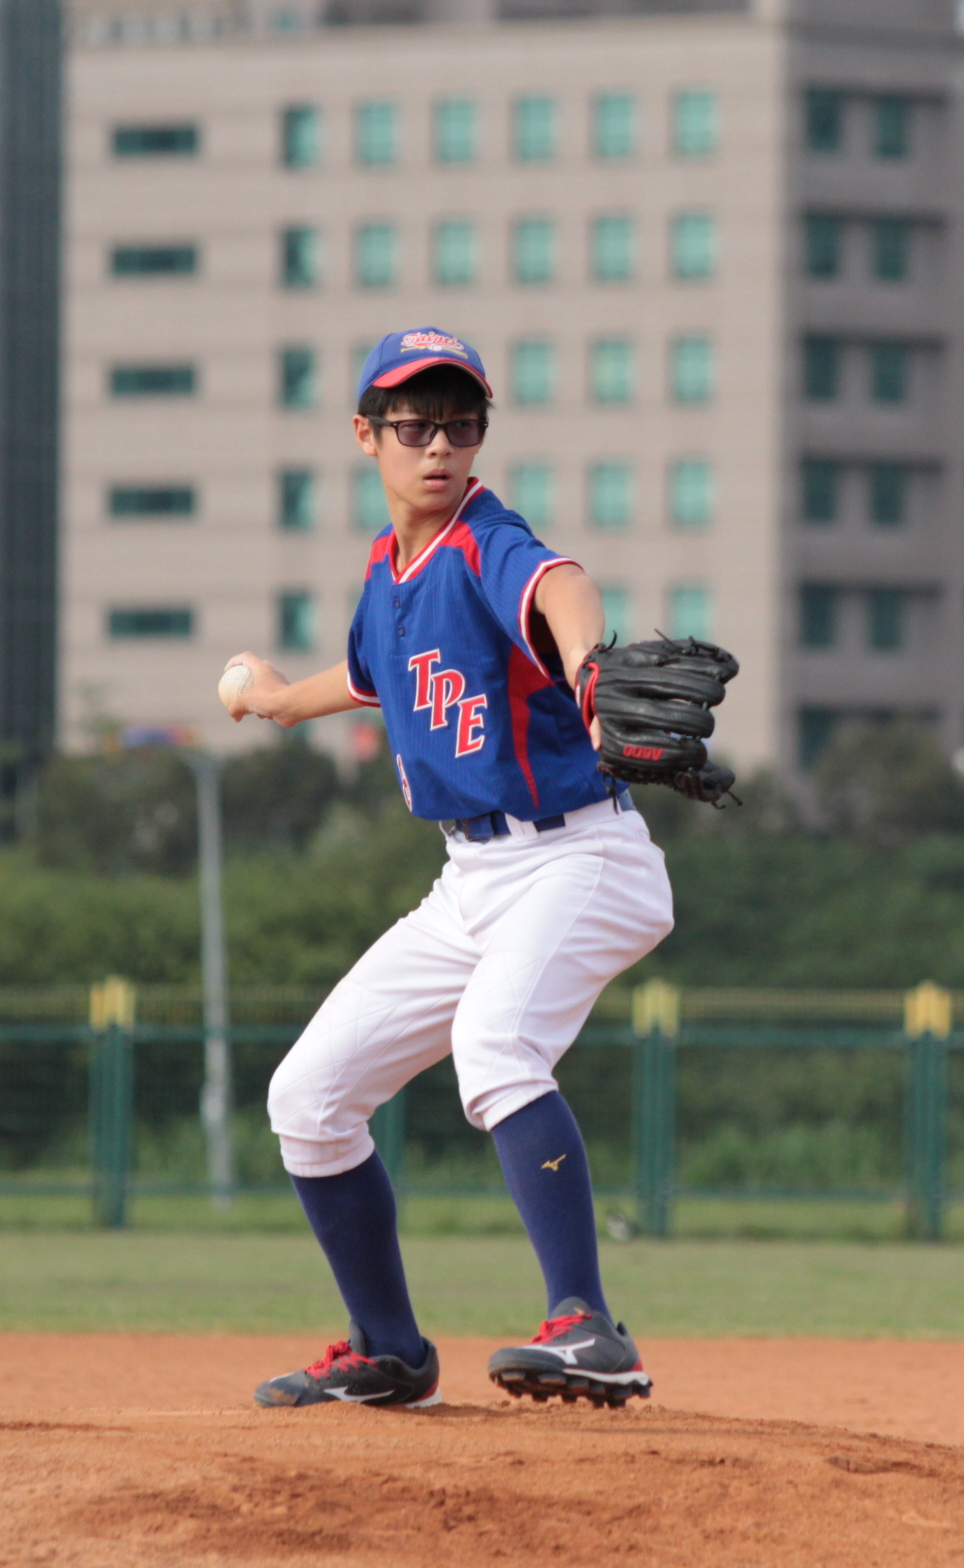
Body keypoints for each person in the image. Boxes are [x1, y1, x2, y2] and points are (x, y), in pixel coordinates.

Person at [221, 327, 672, 1409]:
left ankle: (588, 1325)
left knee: (495, 1043)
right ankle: (389, 1351)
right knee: (307, 1098)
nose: (439, 446)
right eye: (415, 424)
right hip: (469, 880)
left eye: (460, 425)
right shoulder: (388, 573)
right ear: (365, 435)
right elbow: (369, 677)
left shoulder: (484, 542)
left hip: (578, 853)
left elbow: (562, 586)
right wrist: (277, 700)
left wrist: (589, 670)